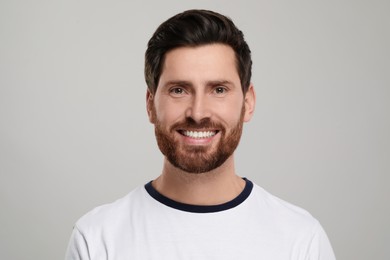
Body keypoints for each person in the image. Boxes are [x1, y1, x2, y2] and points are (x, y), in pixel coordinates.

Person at [65, 9, 336, 260]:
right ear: (150, 105)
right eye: (179, 90)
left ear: (248, 102)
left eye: (218, 89)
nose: (198, 112)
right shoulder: (97, 239)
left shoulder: (301, 240)